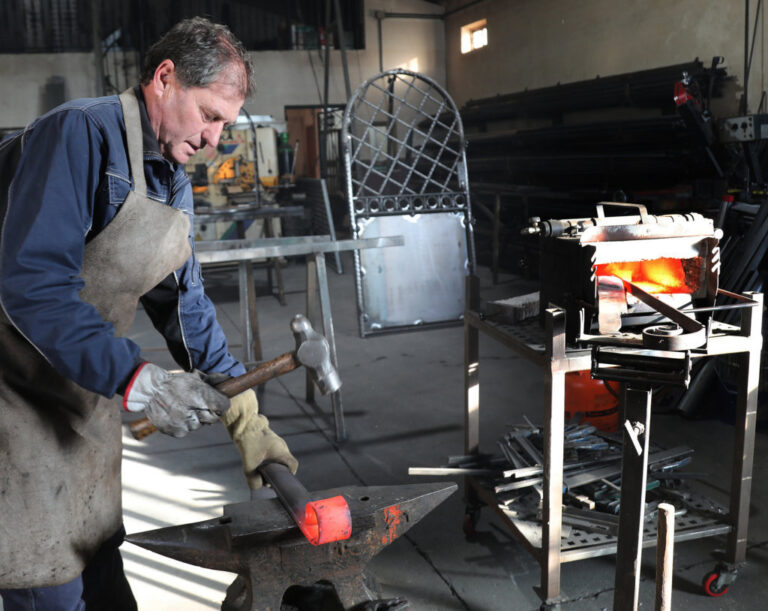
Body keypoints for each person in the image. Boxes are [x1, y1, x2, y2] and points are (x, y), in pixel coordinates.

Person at [0, 17, 297, 610]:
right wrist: (137, 379)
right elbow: (32, 283)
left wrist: (245, 416)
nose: (216, 140)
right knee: (46, 582)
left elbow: (182, 300)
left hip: (85, 408)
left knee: (103, 574)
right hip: (16, 412)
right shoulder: (79, 134)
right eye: (210, 115)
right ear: (165, 78)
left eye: (225, 126)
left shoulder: (170, 175)